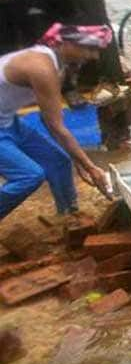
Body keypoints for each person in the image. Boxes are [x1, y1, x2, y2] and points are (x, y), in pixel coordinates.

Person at [0, 23, 112, 222]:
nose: (93, 56)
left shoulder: (54, 63)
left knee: (59, 162)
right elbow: (56, 126)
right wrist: (90, 167)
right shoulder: (42, 68)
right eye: (89, 48)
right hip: (4, 124)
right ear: (65, 44)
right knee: (29, 176)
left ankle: (70, 218)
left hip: (8, 121)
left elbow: (48, 118)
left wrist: (76, 158)